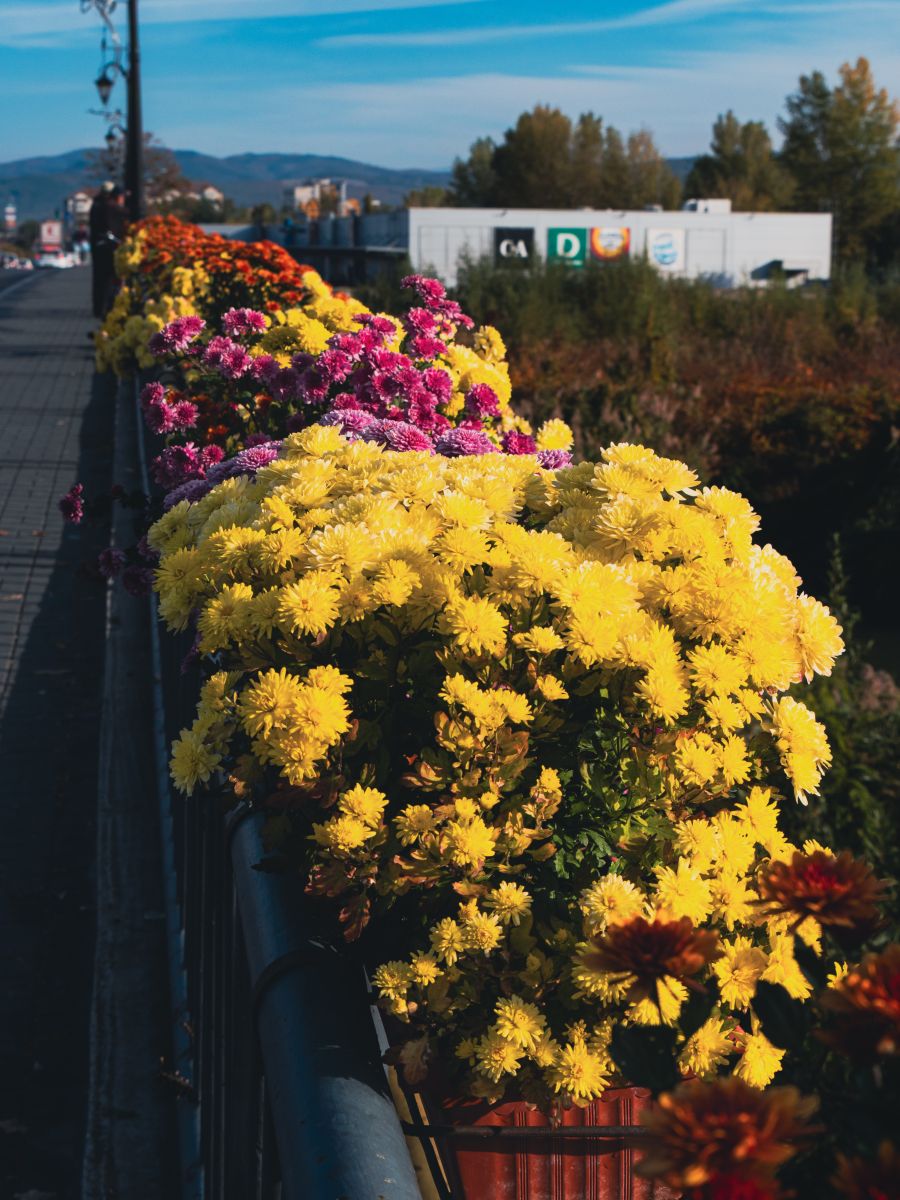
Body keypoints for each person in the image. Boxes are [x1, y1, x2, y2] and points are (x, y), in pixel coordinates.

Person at [89, 182, 127, 319]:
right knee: (110, 280)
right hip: (108, 248)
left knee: (100, 280)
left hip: (98, 247)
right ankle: (107, 308)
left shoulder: (96, 205)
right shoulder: (110, 207)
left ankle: (99, 308)